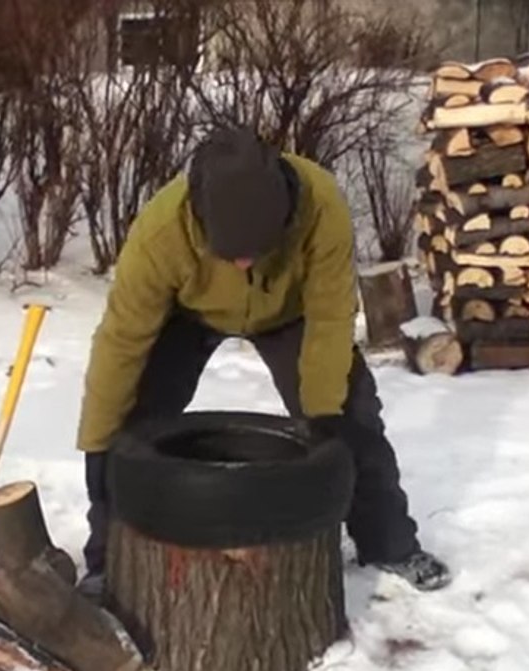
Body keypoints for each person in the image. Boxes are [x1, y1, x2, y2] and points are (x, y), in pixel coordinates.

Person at [75, 127, 450, 592]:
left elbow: (331, 318)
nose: (244, 266)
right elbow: (121, 342)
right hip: (188, 314)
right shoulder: (160, 233)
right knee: (130, 427)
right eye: (230, 254)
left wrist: (323, 413)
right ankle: (106, 559)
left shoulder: (321, 207)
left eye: (257, 251)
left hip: (288, 314)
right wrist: (99, 441)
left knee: (354, 417)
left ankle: (389, 543)